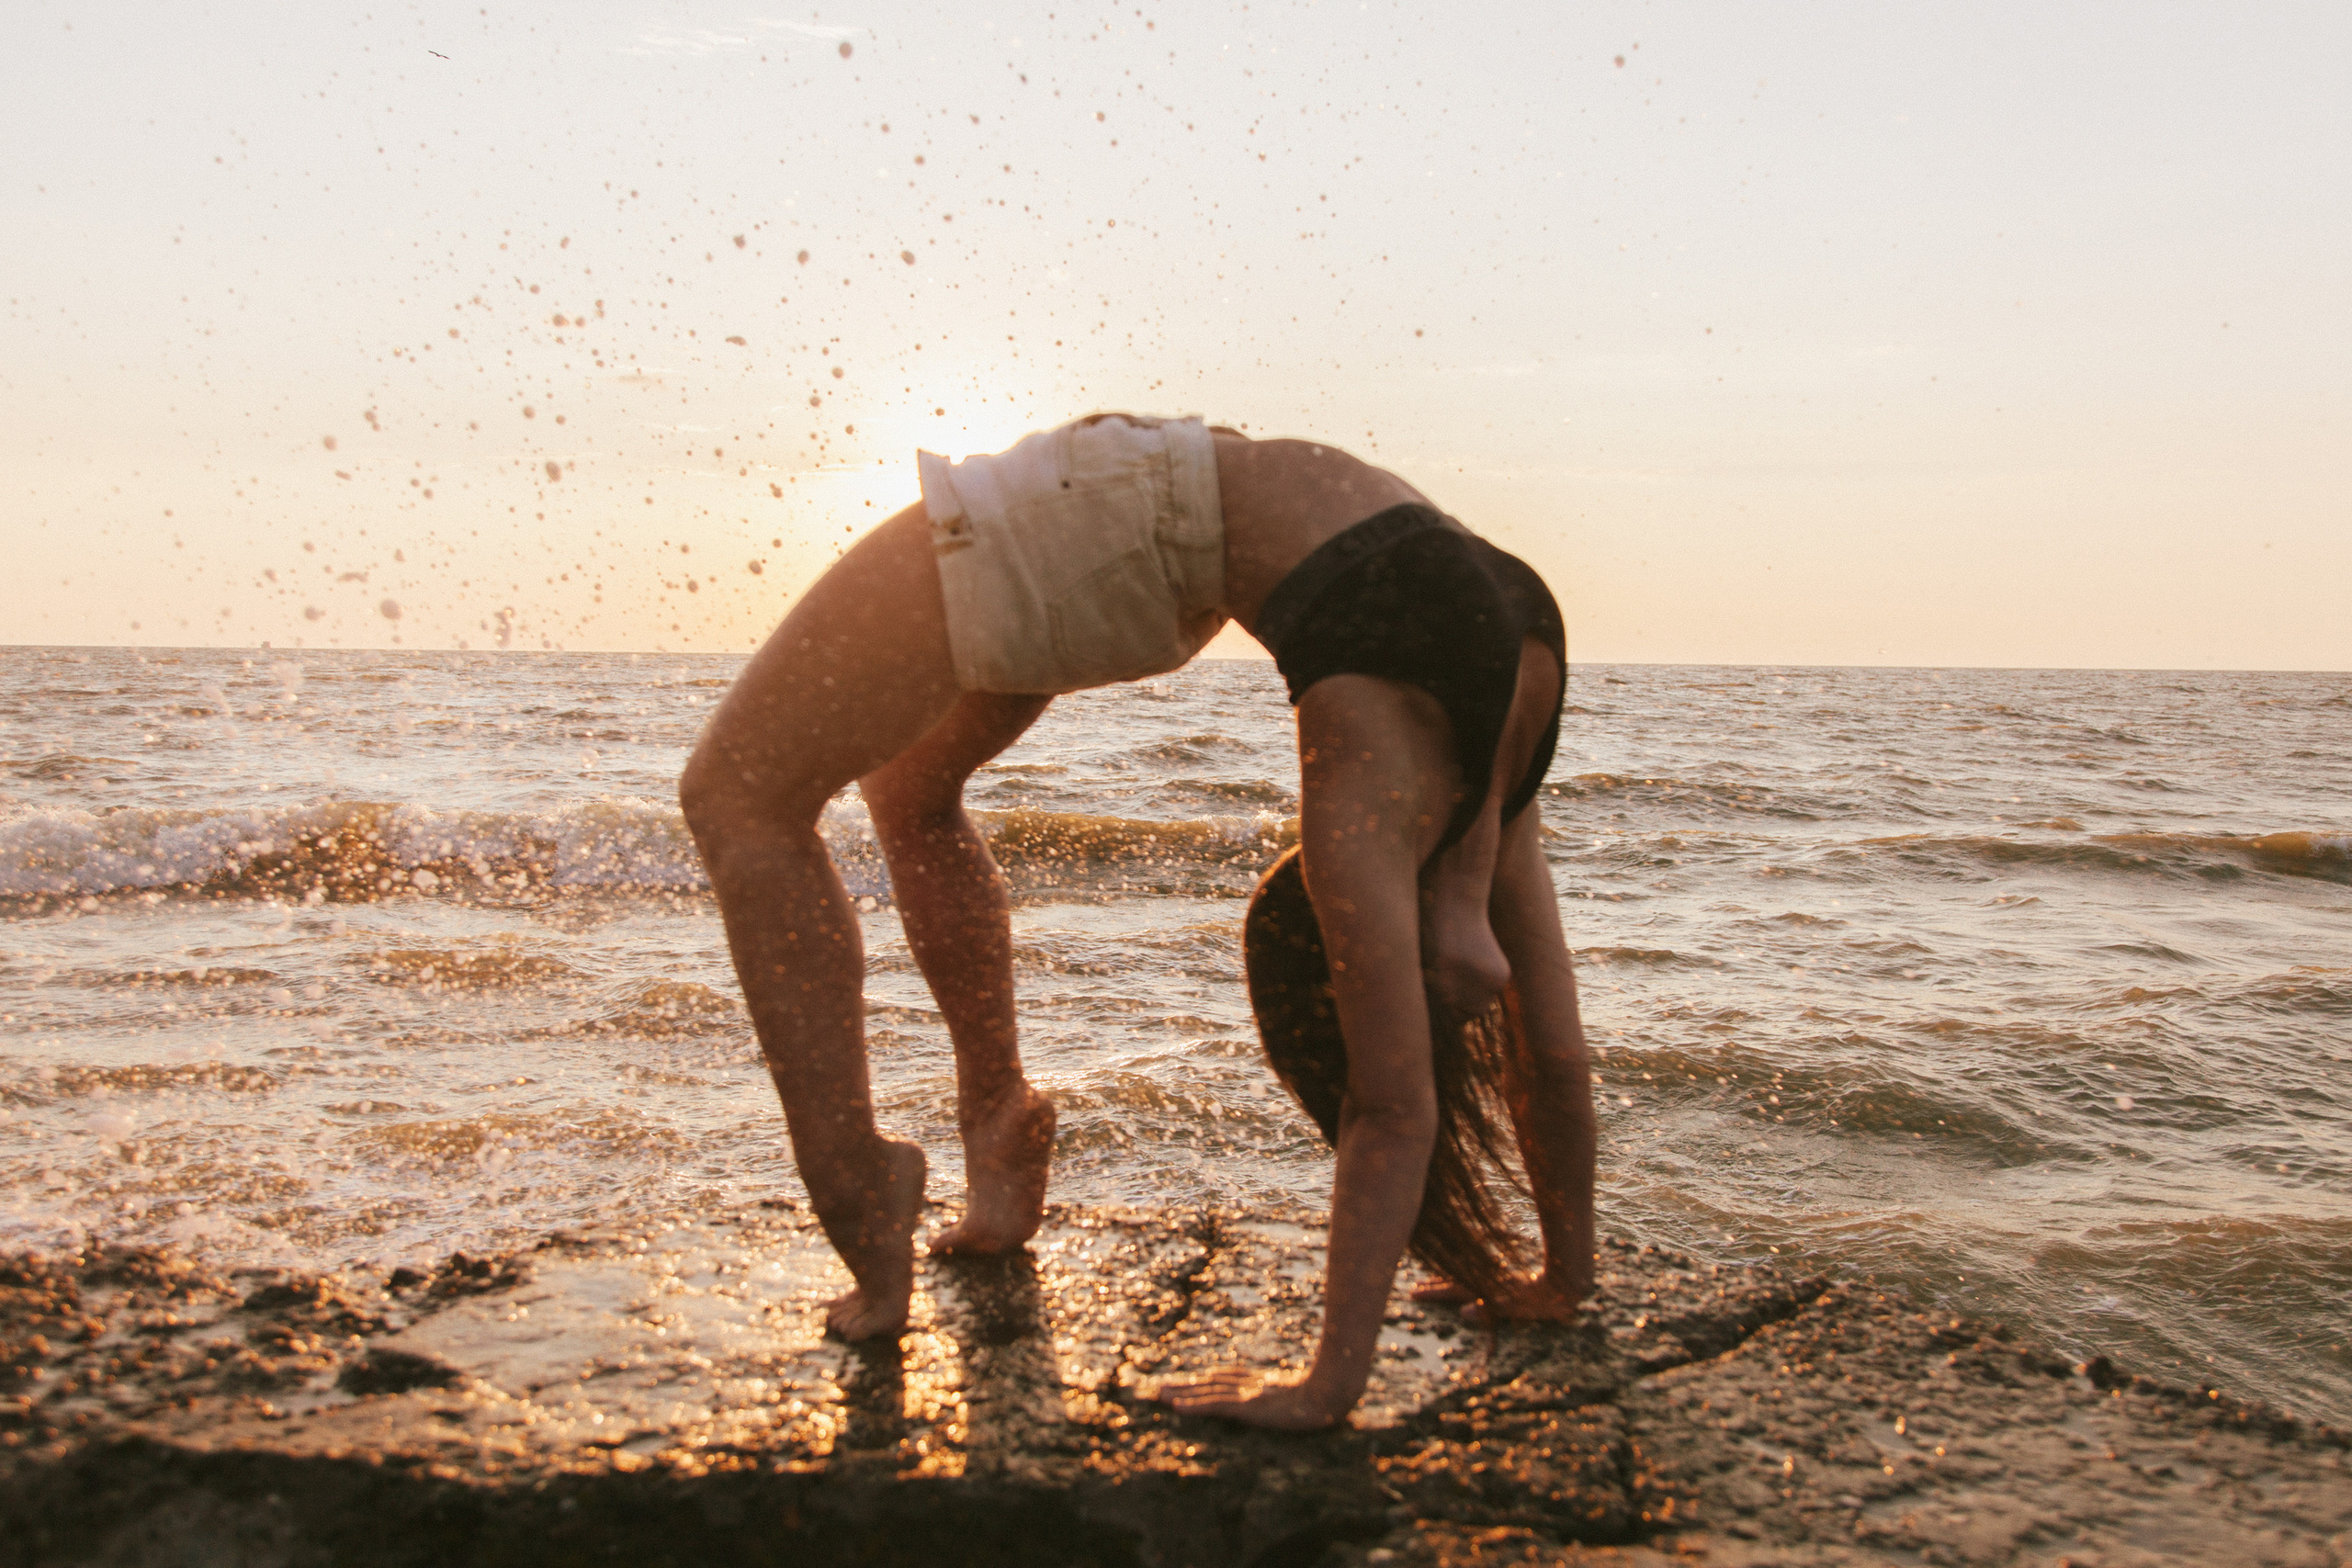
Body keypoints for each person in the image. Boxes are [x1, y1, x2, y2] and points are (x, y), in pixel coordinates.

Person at [679, 413, 1597, 1430]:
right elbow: (1539, 1050)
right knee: (905, 783)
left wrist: (1326, 1388)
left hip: (1162, 525)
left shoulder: (1393, 776)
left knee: (737, 796)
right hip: (1216, 538)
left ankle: (855, 1179)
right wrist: (1560, 1278)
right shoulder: (1465, 790)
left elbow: (1407, 1104)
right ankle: (994, 1116)